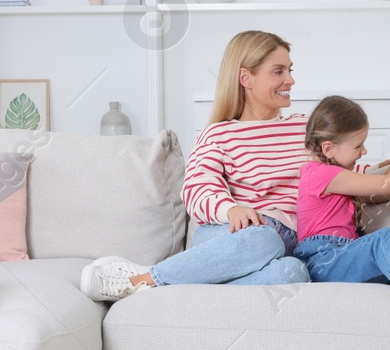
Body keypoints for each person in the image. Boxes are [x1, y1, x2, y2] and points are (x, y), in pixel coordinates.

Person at [82, 30, 310, 300]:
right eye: (279, 71)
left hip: (287, 243)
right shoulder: (218, 134)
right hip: (232, 236)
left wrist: (373, 173)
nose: (290, 80)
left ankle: (174, 283)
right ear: (245, 78)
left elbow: (338, 171)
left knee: (294, 273)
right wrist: (232, 209)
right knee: (264, 238)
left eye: (290, 70)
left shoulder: (306, 129)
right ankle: (145, 279)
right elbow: (197, 189)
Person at [294, 96, 390, 309]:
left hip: (347, 254)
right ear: (328, 148)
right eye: (358, 145)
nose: (364, 151)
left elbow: (379, 194)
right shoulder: (319, 174)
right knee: (388, 236)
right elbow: (388, 185)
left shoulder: (340, 174)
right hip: (324, 261)